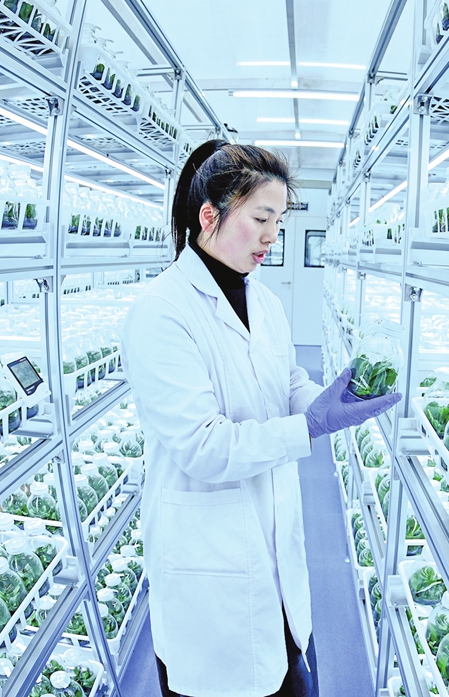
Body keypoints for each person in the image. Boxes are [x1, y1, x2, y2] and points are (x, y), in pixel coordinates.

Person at [123, 140, 401, 697]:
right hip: (209, 572)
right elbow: (203, 446)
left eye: (279, 219)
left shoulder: (264, 302)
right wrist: (308, 427)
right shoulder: (161, 311)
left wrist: (324, 401)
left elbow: (287, 382)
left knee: (288, 670)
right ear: (210, 216)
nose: (273, 235)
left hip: (273, 560)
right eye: (261, 218)